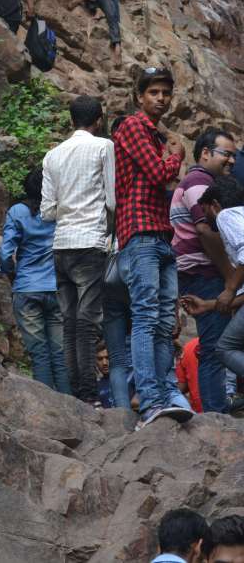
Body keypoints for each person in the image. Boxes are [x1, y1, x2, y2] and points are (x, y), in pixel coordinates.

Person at [113, 66, 192, 429]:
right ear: (140, 96)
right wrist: (176, 154)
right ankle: (150, 400)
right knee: (146, 318)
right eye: (154, 93)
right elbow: (161, 174)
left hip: (160, 235)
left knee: (164, 321)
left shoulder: (154, 136)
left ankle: (169, 393)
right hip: (140, 233)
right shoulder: (132, 127)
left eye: (165, 93)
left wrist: (169, 151)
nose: (160, 99)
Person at [40, 95, 115, 404]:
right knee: (85, 325)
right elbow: (111, 200)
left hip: (61, 247)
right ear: (98, 120)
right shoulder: (103, 147)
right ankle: (89, 395)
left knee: (69, 324)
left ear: (71, 121)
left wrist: (69, 208)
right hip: (91, 243)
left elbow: (47, 211)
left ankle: (78, 396)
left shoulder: (52, 155)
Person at [170, 127, 237, 413]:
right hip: (205, 273)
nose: (232, 161)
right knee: (215, 347)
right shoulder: (198, 181)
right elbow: (205, 231)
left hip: (195, 272)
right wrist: (231, 279)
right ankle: (215, 412)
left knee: (214, 345)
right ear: (206, 153)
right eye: (226, 154)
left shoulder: (196, 181)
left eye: (234, 156)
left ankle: (217, 407)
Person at [0, 168, 71, 393]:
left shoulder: (17, 212)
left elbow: (4, 254)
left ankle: (47, 406)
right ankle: (69, 402)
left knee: (39, 352)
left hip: (27, 287)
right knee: (59, 352)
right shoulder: (60, 211)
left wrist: (12, 273)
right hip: (57, 288)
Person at [183, 178, 244, 379]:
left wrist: (229, 289)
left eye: (204, 210)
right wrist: (208, 306)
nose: (205, 218)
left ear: (215, 205)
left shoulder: (226, 215)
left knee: (225, 348)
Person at [176, 337, 203, 414]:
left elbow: (181, 386)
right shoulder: (229, 344)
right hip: (224, 408)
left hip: (199, 413)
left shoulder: (188, 346)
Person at [96, 341, 114, 408]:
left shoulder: (128, 379)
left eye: (107, 358)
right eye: (100, 359)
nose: (104, 363)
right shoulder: (95, 387)